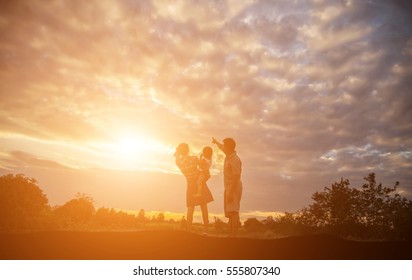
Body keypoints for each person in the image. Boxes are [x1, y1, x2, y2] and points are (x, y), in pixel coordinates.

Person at [174, 143, 214, 232]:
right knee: (204, 207)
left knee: (190, 208)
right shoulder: (193, 158)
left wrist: (177, 153)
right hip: (199, 181)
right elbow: (203, 165)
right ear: (188, 150)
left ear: (180, 151)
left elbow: (176, 157)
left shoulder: (178, 162)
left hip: (190, 183)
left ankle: (189, 231)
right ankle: (206, 231)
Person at [212, 137, 242, 237]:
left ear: (228, 147)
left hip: (234, 187)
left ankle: (233, 236)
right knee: (230, 212)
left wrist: (231, 192)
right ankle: (230, 235)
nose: (222, 147)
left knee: (234, 211)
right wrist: (216, 142)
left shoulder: (235, 159)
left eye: (224, 145)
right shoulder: (229, 155)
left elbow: (236, 176)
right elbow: (221, 147)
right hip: (229, 187)